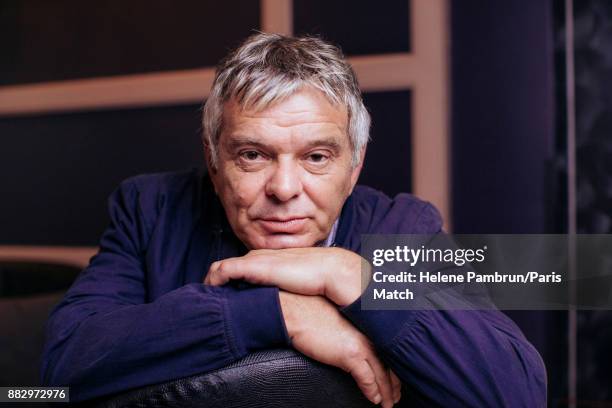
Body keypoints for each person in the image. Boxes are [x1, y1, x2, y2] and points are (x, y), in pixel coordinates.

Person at [41, 33, 546, 406]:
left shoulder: (399, 229)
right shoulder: (150, 209)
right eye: (253, 155)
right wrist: (275, 313)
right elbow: (50, 379)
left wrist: (354, 278)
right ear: (214, 159)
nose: (284, 189)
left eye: (317, 157)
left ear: (355, 167)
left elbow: (517, 393)